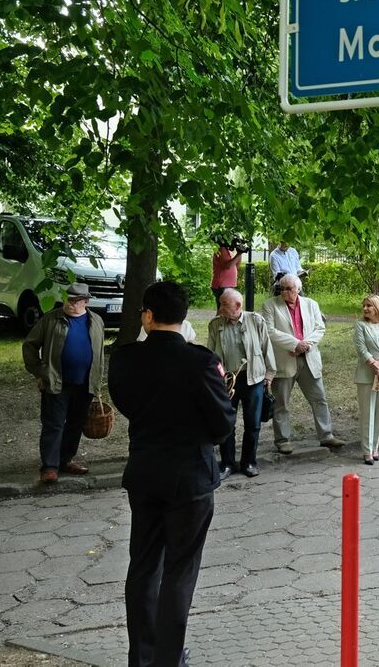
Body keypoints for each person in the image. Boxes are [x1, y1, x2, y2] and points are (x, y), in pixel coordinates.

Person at [109, 281, 234, 667]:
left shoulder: (126, 358)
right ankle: (167, 659)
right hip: (191, 480)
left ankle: (142, 658)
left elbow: (125, 402)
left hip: (145, 474)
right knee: (179, 572)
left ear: (147, 316)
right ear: (182, 318)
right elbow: (221, 426)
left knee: (144, 568)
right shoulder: (200, 362)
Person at [22, 282, 104, 483]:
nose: (70, 303)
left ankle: (66, 460)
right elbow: (30, 345)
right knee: (54, 425)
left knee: (75, 424)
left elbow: (99, 352)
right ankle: (49, 467)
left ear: (85, 301)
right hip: (56, 382)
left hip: (85, 383)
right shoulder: (51, 319)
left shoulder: (96, 321)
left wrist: (97, 381)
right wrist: (41, 372)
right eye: (68, 298)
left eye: (76, 300)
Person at [261, 274, 345, 454]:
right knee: (281, 402)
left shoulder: (311, 304)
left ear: (298, 289)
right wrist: (294, 344)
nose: (284, 292)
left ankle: (326, 436)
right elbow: (269, 331)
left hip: (309, 357)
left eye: (288, 289)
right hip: (284, 359)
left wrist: (305, 345)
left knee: (319, 398)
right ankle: (282, 440)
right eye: (281, 288)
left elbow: (319, 328)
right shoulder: (270, 305)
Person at [206, 289, 276, 479]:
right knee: (227, 424)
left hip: (253, 379)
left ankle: (249, 462)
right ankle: (227, 463)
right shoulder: (215, 325)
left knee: (253, 424)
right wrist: (214, 380)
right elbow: (210, 355)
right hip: (227, 382)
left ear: (238, 306)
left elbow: (266, 348)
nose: (220, 309)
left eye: (224, 305)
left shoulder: (256, 320)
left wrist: (269, 375)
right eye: (220, 304)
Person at [352, 295, 379, 465]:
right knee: (367, 413)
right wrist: (376, 368)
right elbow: (361, 349)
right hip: (367, 374)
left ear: (378, 307)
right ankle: (366, 450)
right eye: (364, 306)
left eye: (369, 305)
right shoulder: (360, 326)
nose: (365, 309)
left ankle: (375, 447)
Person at [210, 241, 245, 306]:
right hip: (222, 285)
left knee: (226, 309)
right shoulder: (221, 249)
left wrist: (239, 253)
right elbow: (227, 266)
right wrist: (239, 254)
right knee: (224, 309)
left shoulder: (228, 250)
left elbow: (236, 266)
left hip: (227, 285)